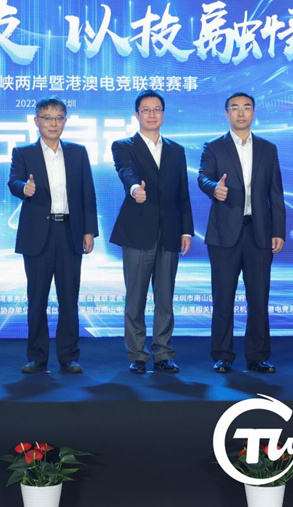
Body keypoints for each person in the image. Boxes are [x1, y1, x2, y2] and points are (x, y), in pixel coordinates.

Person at [8, 97, 98, 374]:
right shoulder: (23, 152)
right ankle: (37, 357)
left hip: (70, 231)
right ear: (36, 121)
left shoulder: (78, 152)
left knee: (69, 299)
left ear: (65, 121)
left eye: (58, 118)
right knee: (37, 299)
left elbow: (87, 193)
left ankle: (69, 357)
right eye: (47, 118)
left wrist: (89, 230)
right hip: (37, 235)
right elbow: (14, 181)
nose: (53, 123)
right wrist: (24, 189)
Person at [198, 92, 286, 374]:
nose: (240, 113)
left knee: (258, 298)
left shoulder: (268, 149)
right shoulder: (214, 147)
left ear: (254, 113)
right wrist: (214, 188)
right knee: (223, 297)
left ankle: (258, 356)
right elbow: (203, 177)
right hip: (224, 234)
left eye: (246, 107)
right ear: (226, 114)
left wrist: (278, 230)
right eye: (234, 108)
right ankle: (222, 355)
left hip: (259, 232)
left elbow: (276, 192)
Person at [110, 89, 194, 374]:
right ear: (137, 115)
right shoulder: (124, 146)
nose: (152, 115)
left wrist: (186, 230)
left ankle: (163, 353)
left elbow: (183, 193)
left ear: (163, 114)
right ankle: (137, 354)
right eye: (146, 110)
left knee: (165, 298)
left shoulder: (176, 150)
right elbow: (126, 171)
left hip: (170, 232)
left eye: (157, 109)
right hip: (137, 232)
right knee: (135, 297)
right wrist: (135, 189)